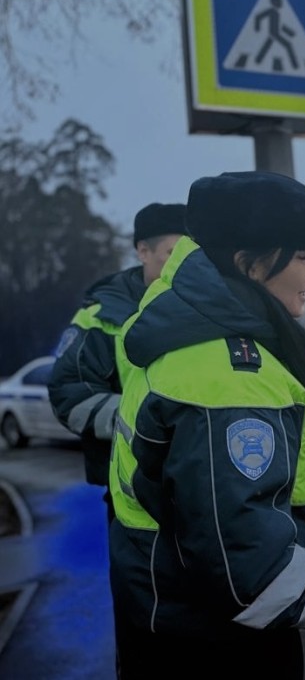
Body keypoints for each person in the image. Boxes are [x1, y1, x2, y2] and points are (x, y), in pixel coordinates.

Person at [108, 170, 305, 679]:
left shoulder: (193, 329)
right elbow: (250, 573)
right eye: (303, 256)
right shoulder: (228, 377)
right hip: (214, 644)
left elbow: (239, 462)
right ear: (248, 264)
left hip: (169, 614)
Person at [49, 202, 187, 521]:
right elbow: (68, 394)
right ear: (143, 251)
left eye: (191, 254)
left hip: (203, 487)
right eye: (172, 253)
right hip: (131, 494)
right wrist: (149, 422)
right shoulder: (99, 319)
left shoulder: (213, 310)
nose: (183, 264)